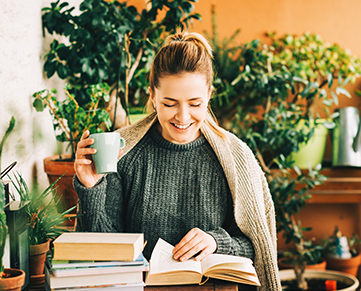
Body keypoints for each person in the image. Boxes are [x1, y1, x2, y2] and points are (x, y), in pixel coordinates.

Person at [74, 31, 281, 291]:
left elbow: (258, 248)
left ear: (209, 95)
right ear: (152, 96)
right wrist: (91, 188)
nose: (183, 117)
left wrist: (217, 242)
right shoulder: (123, 153)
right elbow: (102, 253)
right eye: (170, 103)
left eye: (195, 103)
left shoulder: (235, 157)